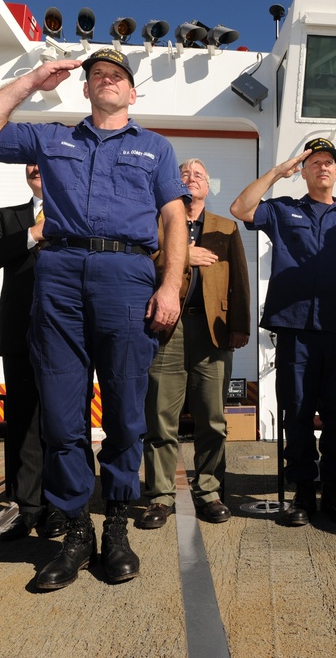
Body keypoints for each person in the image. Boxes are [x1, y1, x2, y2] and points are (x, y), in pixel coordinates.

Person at [0, 47, 190, 590]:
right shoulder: (51, 136)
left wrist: (170, 283)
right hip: (57, 276)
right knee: (61, 415)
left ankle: (119, 529)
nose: (106, 80)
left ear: (133, 93)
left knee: (128, 413)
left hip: (127, 275)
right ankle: (78, 530)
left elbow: (173, 217)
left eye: (118, 76)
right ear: (85, 90)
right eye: (97, 75)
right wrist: (34, 79)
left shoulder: (155, 148)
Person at [229, 138, 336, 527]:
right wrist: (278, 172)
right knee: (296, 412)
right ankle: (302, 493)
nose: (323, 167)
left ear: (335, 171)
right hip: (296, 328)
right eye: (315, 162)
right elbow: (240, 208)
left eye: (329, 162)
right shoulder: (282, 211)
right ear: (305, 171)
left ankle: (334, 491)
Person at [141, 158, 251, 528]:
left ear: (208, 186)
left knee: (212, 420)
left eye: (199, 175)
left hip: (212, 333)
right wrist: (181, 254)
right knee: (160, 419)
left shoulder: (226, 227)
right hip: (165, 330)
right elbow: (139, 267)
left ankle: (209, 492)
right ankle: (159, 497)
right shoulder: (154, 222)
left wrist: (240, 325)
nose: (191, 179)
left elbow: (239, 279)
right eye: (184, 174)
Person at [0, 163, 66, 542]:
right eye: (30, 164)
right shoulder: (8, 217)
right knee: (24, 421)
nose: (36, 168)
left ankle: (62, 506)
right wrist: (32, 233)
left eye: (43, 162)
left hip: (66, 333)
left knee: (63, 422)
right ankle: (29, 509)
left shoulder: (78, 209)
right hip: (19, 333)